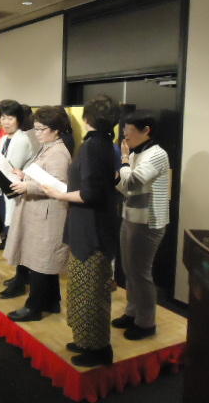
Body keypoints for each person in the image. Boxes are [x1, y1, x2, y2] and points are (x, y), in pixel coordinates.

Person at [43, 95, 120, 367]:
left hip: (91, 227)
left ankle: (98, 348)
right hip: (91, 223)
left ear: (87, 118)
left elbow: (90, 193)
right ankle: (85, 339)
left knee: (90, 291)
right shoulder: (105, 144)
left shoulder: (94, 147)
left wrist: (58, 194)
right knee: (81, 287)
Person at [4, 106, 71, 322]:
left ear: (56, 130)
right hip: (41, 211)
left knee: (41, 261)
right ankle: (51, 301)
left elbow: (59, 185)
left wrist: (27, 186)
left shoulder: (58, 152)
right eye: (36, 128)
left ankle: (34, 307)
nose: (38, 133)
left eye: (42, 129)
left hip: (48, 214)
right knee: (42, 261)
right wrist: (24, 175)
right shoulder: (48, 147)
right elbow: (43, 175)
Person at [113, 110, 170, 340]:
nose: (125, 137)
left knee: (141, 272)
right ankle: (132, 312)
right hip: (130, 216)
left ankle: (146, 323)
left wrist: (124, 162)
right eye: (124, 132)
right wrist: (122, 170)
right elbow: (124, 186)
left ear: (146, 131)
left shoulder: (157, 154)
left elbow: (132, 183)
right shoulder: (137, 153)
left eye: (129, 132)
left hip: (149, 221)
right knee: (129, 269)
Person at [0, 100, 37, 294]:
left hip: (20, 193)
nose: (6, 122)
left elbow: (7, 171)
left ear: (19, 119)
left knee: (19, 238)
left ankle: (21, 281)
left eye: (10, 118)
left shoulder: (21, 140)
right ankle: (21, 276)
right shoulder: (6, 138)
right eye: (3, 118)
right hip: (9, 193)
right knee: (15, 236)